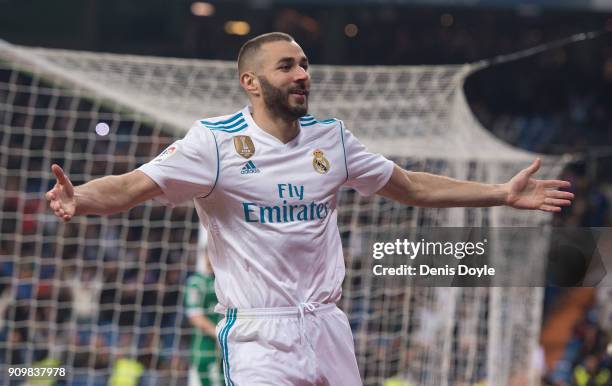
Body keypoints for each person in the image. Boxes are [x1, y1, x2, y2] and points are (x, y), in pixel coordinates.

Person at [46, 32, 574, 385]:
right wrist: (82, 197)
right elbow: (133, 186)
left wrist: (501, 193)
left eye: (303, 64)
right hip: (259, 334)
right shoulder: (213, 142)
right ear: (250, 82)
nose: (302, 73)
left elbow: (410, 186)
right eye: (286, 66)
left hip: (328, 325)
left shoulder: (333, 139)